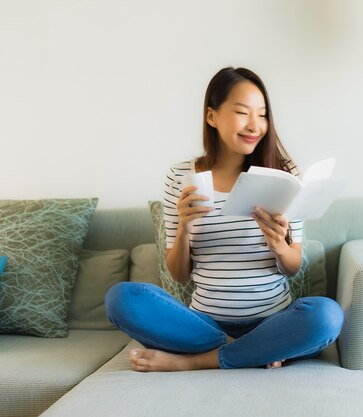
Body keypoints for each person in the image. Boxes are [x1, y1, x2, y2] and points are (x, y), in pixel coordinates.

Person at [105, 67, 344, 371]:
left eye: (262, 114)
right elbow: (179, 274)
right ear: (212, 117)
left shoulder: (284, 175)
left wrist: (280, 246)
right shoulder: (182, 175)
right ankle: (250, 352)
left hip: (273, 321)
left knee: (327, 316)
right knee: (121, 298)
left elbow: (293, 267)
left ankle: (194, 362)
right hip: (203, 324)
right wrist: (184, 230)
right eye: (243, 113)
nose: (255, 125)